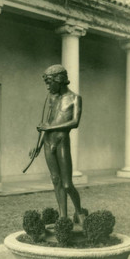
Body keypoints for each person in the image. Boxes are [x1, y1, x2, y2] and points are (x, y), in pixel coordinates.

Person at [30, 64, 87, 225]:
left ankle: (79, 212)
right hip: (48, 142)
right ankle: (63, 217)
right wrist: (39, 146)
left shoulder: (75, 98)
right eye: (46, 83)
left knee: (67, 184)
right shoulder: (52, 98)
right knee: (55, 180)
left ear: (59, 80)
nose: (47, 86)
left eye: (49, 82)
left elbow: (75, 122)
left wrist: (50, 127)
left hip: (62, 142)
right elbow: (47, 123)